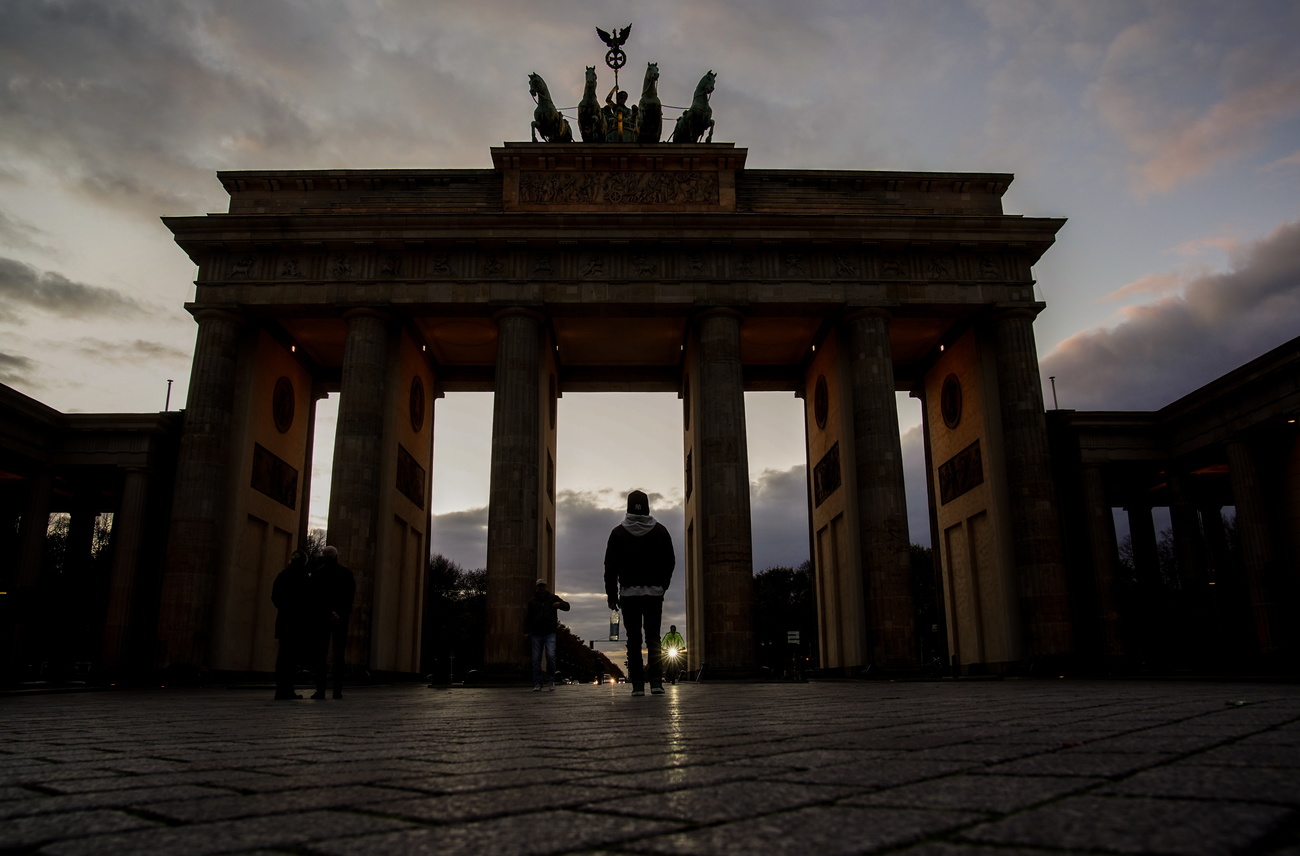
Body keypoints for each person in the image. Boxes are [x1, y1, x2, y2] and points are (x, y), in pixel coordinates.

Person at [604, 490, 675, 696]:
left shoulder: (618, 532)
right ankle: (655, 682)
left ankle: (637, 685)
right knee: (653, 638)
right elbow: (669, 561)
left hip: (628, 595)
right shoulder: (660, 531)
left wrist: (611, 595)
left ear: (628, 506)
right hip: (654, 594)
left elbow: (610, 567)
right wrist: (663, 586)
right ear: (647, 506)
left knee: (633, 639)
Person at [308, 545, 355, 700]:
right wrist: (339, 612)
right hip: (340, 618)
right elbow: (349, 596)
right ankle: (337, 691)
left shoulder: (317, 574)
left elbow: (314, 597)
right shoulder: (347, 574)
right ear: (336, 556)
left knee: (321, 654)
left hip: (322, 618)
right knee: (339, 654)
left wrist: (327, 612)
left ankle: (320, 690)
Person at [270, 549, 310, 700]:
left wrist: (284, 607)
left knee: (282, 655)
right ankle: (288, 689)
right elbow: (307, 598)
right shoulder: (303, 575)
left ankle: (280, 689)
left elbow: (275, 597)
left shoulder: (282, 575)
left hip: (283, 619)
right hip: (297, 621)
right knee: (292, 657)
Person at [525, 578, 570, 692]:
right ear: (537, 588)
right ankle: (537, 683)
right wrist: (526, 631)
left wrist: (559, 604)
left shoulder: (553, 598)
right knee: (536, 660)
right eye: (540, 586)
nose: (541, 588)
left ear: (546, 587)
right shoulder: (532, 601)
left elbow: (567, 606)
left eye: (543, 586)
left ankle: (550, 680)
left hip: (550, 632)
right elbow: (528, 617)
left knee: (550, 656)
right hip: (536, 633)